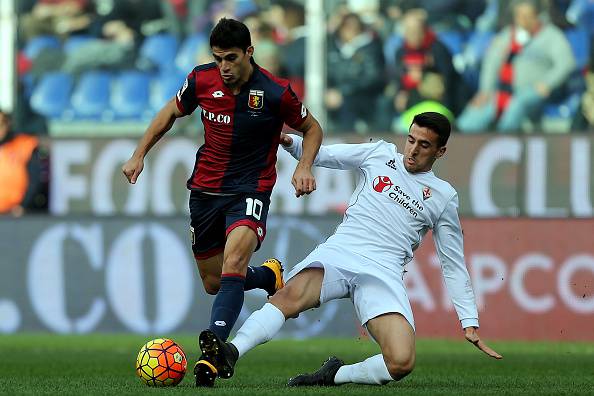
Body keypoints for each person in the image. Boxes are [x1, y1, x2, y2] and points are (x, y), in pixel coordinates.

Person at [195, 112, 502, 387]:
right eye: (411, 139)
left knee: (401, 362)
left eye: (424, 144)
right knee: (288, 296)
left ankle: (335, 375)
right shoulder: (380, 153)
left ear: (440, 151)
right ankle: (232, 351)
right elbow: (325, 155)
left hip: (383, 271)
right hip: (342, 251)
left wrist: (468, 320)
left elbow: (453, 263)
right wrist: (291, 143)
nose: (413, 149)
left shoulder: (443, 196)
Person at [121, 17, 323, 386]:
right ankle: (268, 275)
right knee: (215, 281)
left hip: (251, 189)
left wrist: (304, 166)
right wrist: (139, 154)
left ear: (249, 52)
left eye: (231, 58)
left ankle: (213, 353)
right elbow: (169, 112)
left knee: (233, 262)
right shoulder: (201, 79)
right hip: (205, 191)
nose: (224, 67)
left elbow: (312, 128)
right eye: (218, 59)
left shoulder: (276, 91)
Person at [457, 0, 575, 133]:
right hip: (505, 91)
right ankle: (457, 138)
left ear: (536, 16)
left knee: (516, 104)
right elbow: (491, 63)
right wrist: (486, 91)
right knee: (479, 109)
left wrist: (548, 83)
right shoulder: (507, 35)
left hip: (535, 91)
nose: (523, 20)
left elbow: (566, 63)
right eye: (519, 16)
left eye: (527, 16)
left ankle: (503, 137)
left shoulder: (551, 35)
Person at [0, 110, 44, 217]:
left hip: (14, 212)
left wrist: (24, 204)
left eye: (1, 124)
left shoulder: (23, 144)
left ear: (7, 124)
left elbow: (34, 177)